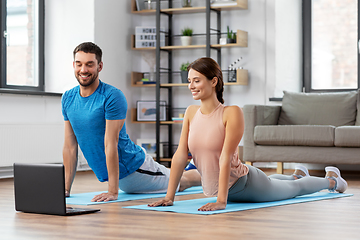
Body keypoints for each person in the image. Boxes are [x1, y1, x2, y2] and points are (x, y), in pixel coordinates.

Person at [148, 57, 348, 211]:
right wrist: (169, 197)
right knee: (282, 183)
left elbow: (226, 157)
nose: (191, 86)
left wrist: (221, 201)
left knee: (295, 190)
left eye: (197, 80)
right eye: (189, 80)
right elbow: (180, 155)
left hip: (246, 185)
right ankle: (297, 175)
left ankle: (333, 181)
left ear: (213, 81)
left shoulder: (231, 113)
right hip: (226, 190)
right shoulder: (191, 112)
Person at [62, 42, 200, 202]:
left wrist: (112, 192)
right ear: (73, 65)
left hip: (134, 168)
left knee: (181, 182)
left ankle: (205, 172)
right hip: (118, 176)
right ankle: (193, 167)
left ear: (99, 66)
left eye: (89, 64)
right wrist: (65, 189)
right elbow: (69, 147)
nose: (83, 70)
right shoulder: (68, 98)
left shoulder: (112, 96)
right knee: (173, 174)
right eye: (79, 64)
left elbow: (110, 143)